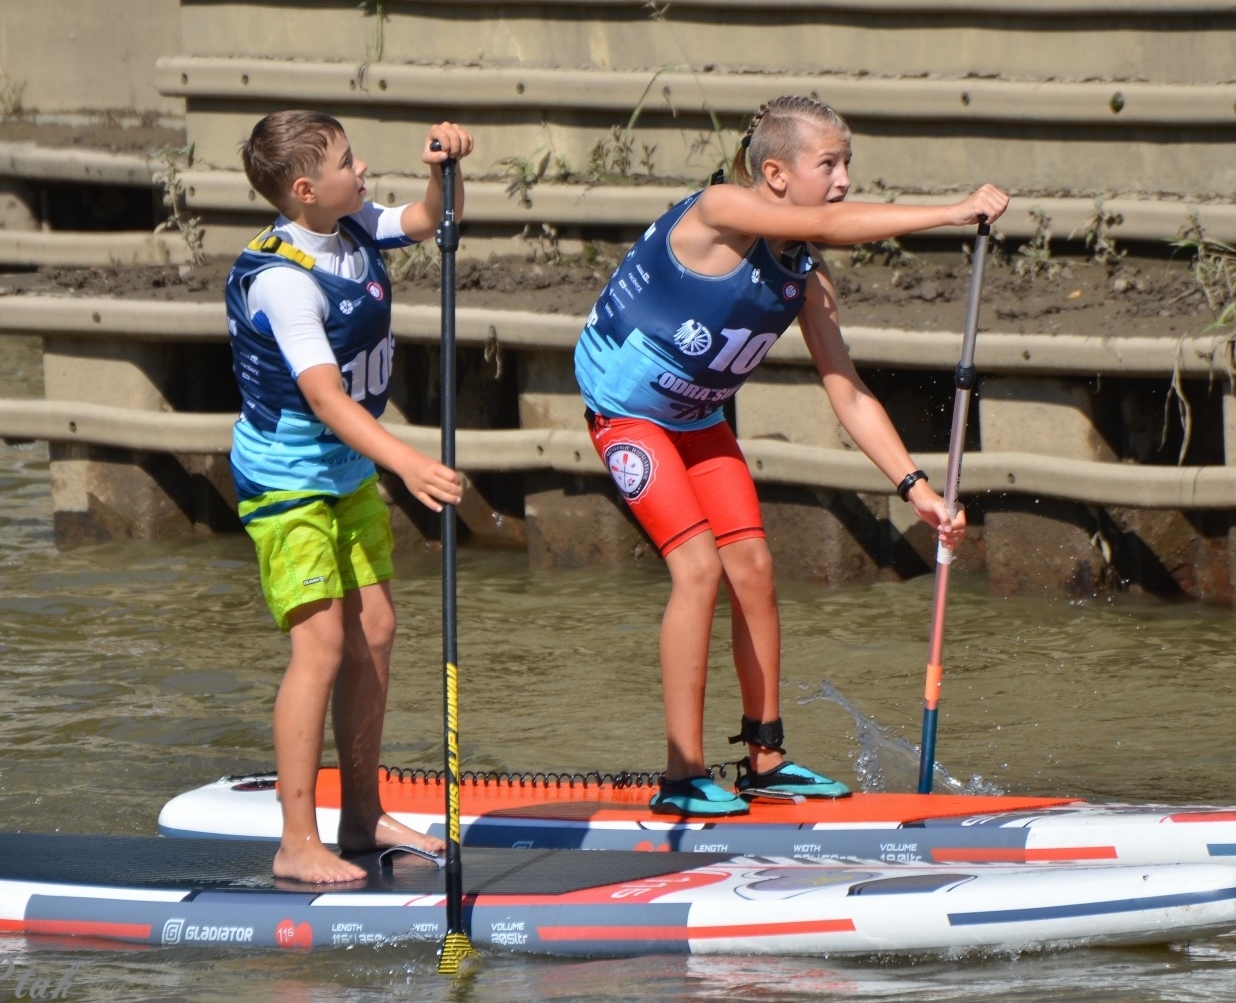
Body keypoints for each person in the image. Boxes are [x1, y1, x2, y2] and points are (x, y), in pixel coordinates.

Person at [573, 95, 1008, 816]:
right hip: (627, 416)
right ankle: (681, 777)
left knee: (754, 565)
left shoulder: (805, 275)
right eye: (827, 164)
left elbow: (849, 393)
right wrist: (950, 211)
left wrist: (916, 487)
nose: (842, 179)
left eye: (848, 164)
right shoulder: (717, 212)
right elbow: (834, 222)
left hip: (697, 418)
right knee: (698, 567)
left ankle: (765, 759)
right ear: (774, 174)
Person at [226, 110, 472, 881]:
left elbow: (430, 220)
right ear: (306, 189)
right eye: (345, 162)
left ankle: (361, 818)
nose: (362, 168)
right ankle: (297, 842)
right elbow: (328, 399)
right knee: (322, 645)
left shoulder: (352, 226)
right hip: (286, 481)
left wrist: (442, 169)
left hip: (345, 473)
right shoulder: (282, 281)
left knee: (377, 629)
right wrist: (410, 464)